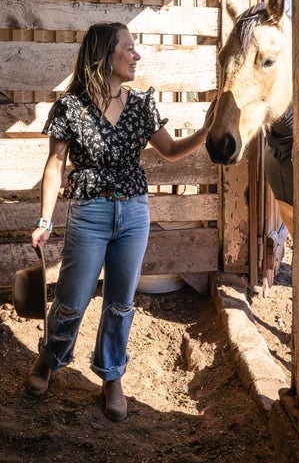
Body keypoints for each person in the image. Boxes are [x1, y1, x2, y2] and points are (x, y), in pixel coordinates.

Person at [29, 22, 215, 421]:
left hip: (133, 213)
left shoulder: (142, 104)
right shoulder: (70, 108)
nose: (137, 55)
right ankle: (49, 358)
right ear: (105, 56)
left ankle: (111, 376)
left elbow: (168, 151)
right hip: (90, 213)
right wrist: (45, 219)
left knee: (120, 303)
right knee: (72, 300)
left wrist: (203, 133)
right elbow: (54, 166)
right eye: (128, 48)